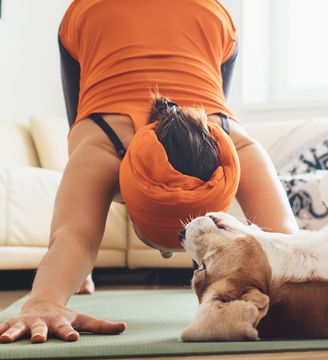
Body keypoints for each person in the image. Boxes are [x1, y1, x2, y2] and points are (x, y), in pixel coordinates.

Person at [0, 0, 297, 344]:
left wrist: (49, 297)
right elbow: (286, 242)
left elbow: (77, 235)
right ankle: (75, 273)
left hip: (198, 16)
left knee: (83, 143)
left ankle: (75, 272)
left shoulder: (233, 146)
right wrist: (44, 301)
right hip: (114, 13)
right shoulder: (101, 147)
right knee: (82, 140)